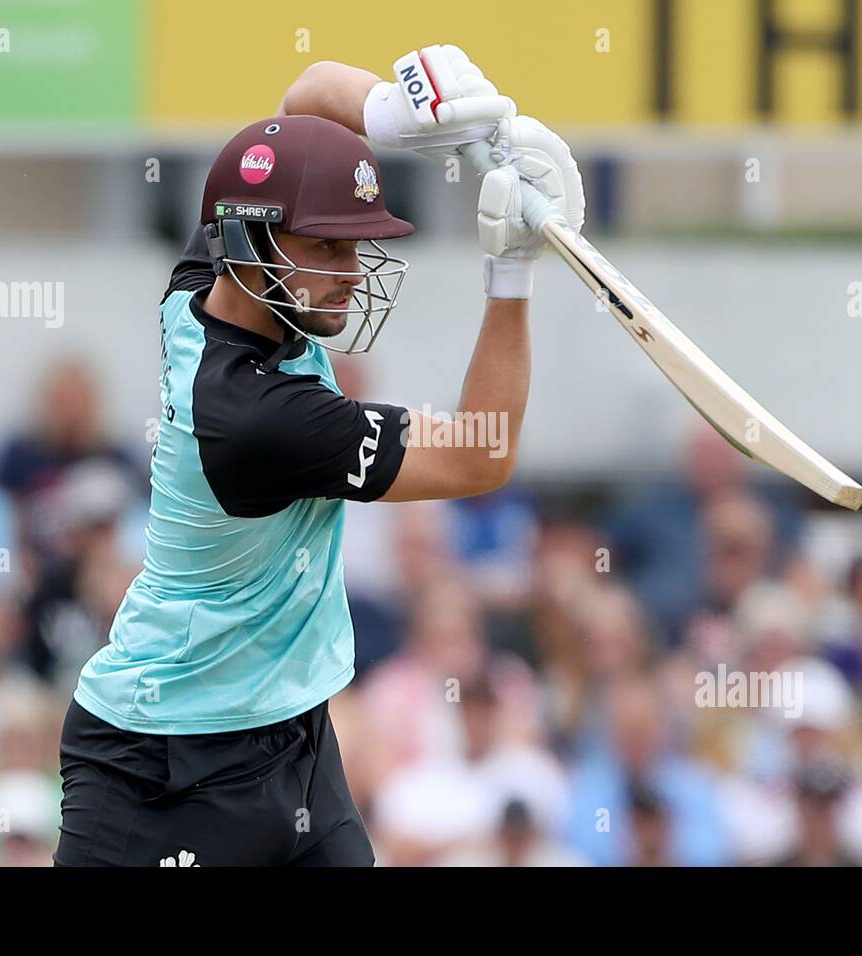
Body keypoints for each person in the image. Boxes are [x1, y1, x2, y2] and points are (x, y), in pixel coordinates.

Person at [55, 45, 584, 866]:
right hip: (161, 768)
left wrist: (402, 117)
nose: (350, 273)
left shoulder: (208, 279)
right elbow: (483, 455)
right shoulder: (260, 419)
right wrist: (509, 271)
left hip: (291, 737)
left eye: (353, 246)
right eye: (329, 249)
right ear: (255, 243)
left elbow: (302, 99)